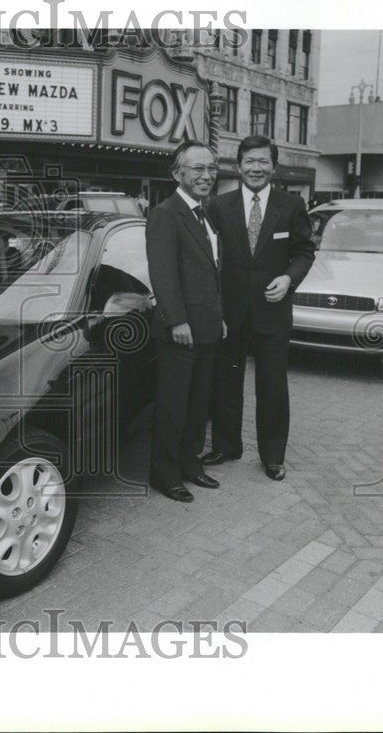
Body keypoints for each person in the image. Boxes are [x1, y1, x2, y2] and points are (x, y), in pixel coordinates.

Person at [201, 135, 316, 481]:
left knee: (272, 387)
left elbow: (305, 252)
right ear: (238, 167)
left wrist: (288, 279)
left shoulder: (291, 206)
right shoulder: (218, 206)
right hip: (229, 311)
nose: (256, 168)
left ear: (274, 167)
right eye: (249, 161)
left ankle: (273, 456)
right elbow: (208, 258)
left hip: (273, 312)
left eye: (262, 161)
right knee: (225, 381)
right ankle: (226, 446)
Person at [145, 140, 225, 503]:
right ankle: (165, 473)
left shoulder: (204, 213)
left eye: (211, 168)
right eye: (197, 168)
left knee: (198, 403)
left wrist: (218, 317)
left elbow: (210, 273)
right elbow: (163, 274)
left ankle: (190, 464)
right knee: (174, 405)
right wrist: (177, 320)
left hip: (207, 326)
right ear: (177, 173)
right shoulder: (165, 213)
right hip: (181, 329)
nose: (206, 175)